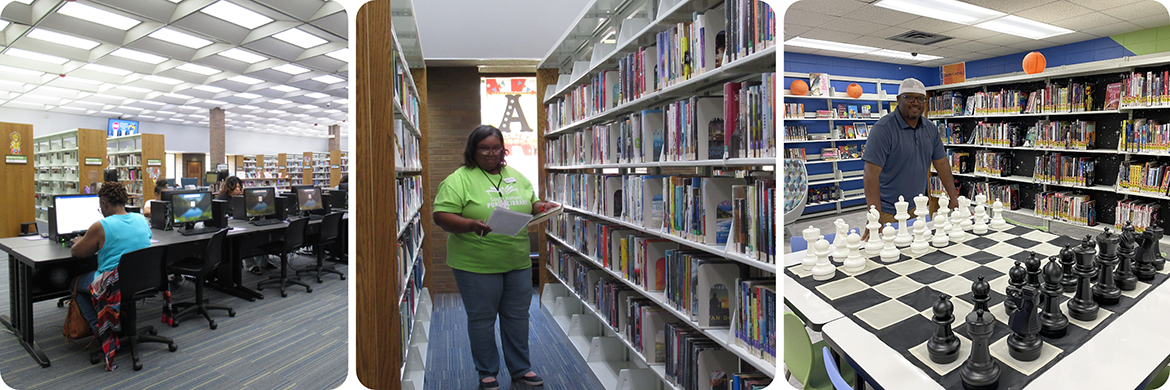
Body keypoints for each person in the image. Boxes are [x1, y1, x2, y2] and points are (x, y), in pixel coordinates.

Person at [432, 125, 557, 390]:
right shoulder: (459, 179)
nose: (491, 153)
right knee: (482, 319)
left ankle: (521, 370)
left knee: (517, 317)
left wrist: (542, 207)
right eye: (484, 148)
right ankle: (487, 372)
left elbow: (531, 202)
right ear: (473, 150)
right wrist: (470, 225)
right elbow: (441, 216)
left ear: (503, 148)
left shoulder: (516, 175)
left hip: (516, 260)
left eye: (496, 147)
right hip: (475, 263)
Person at [862, 78, 959, 240]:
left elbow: (941, 164)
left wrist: (954, 200)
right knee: (890, 257)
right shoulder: (883, 130)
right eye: (909, 97)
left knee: (918, 253)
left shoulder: (930, 129)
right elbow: (870, 175)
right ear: (899, 99)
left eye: (921, 98)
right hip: (888, 211)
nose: (916, 103)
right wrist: (875, 215)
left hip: (918, 207)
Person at [69, 182, 153, 369]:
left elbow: (77, 252)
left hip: (113, 285)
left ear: (105, 204)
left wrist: (79, 241)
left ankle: (100, 330)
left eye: (101, 206)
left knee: (75, 283)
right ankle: (118, 325)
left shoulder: (101, 226)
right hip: (143, 280)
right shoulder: (141, 219)